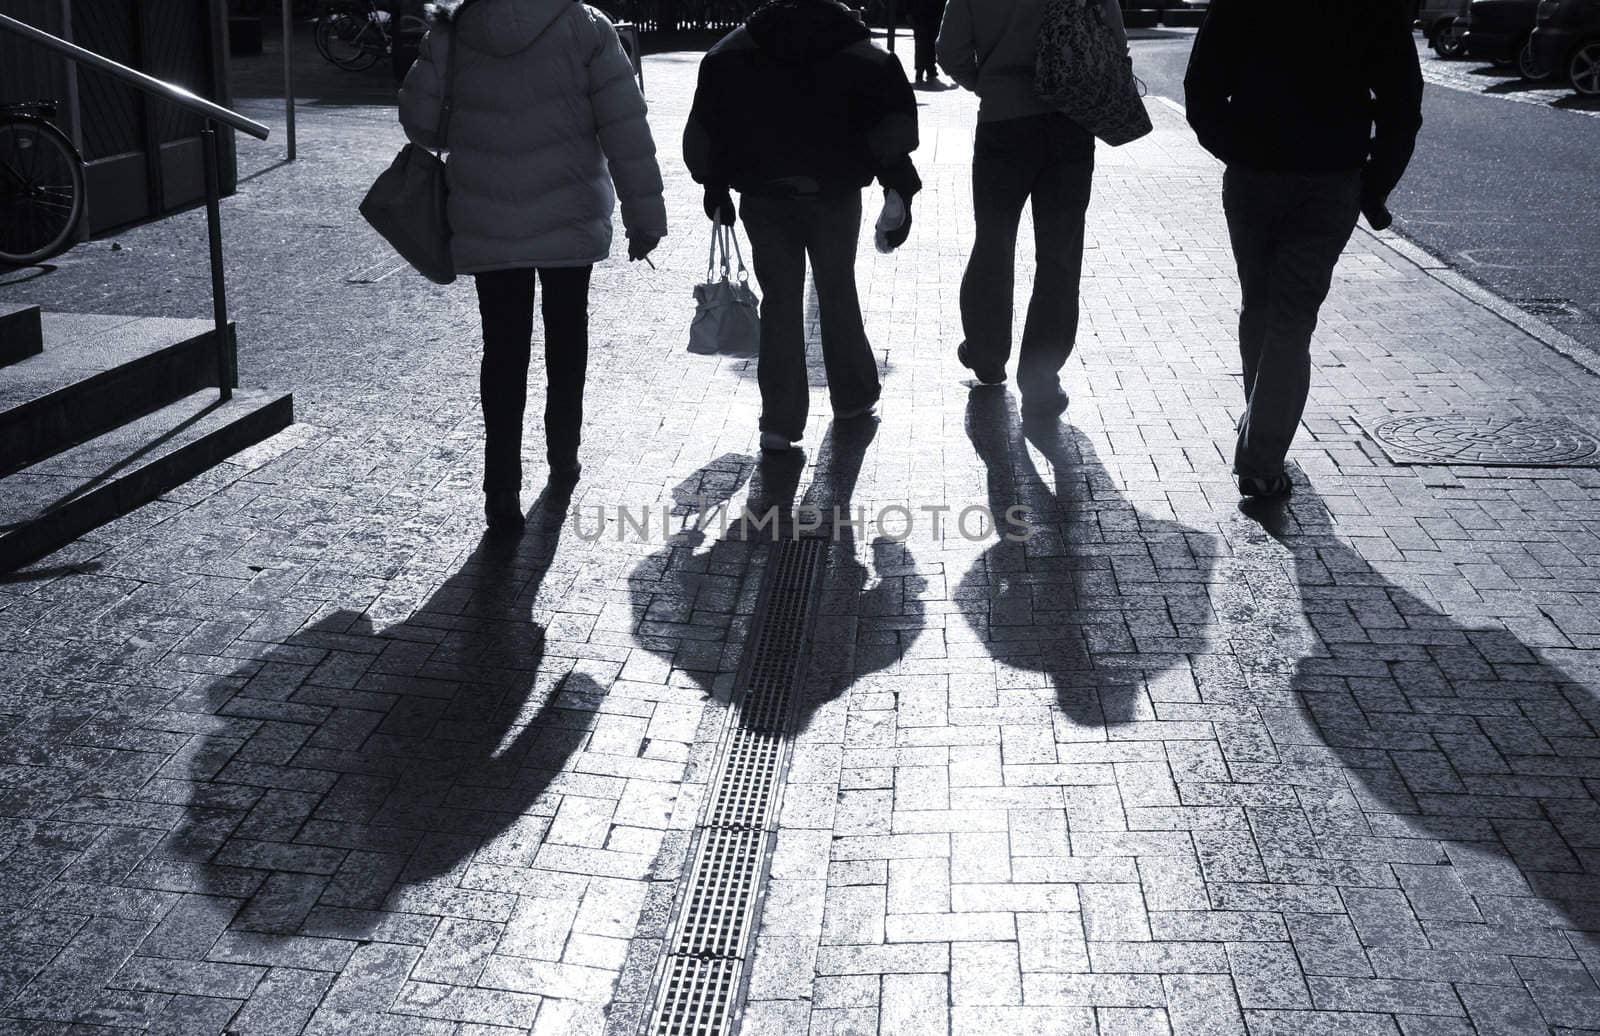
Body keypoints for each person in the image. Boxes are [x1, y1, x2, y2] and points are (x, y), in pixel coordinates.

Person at [399, 0, 666, 532]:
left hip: (487, 213)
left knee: (502, 351)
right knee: (567, 338)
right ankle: (562, 456)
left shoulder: (456, 28)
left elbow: (422, 123)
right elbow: (624, 126)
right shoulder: (586, 24)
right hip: (568, 212)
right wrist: (644, 216)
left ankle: (501, 489)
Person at [1185, 0, 1422, 499]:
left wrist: (1237, 148)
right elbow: (1403, 97)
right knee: (1291, 316)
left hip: (1255, 177)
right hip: (1330, 176)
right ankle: (1262, 454)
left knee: (1261, 305)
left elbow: (1202, 86)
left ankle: (1261, 438)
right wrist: (1375, 183)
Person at [684, 0, 921, 453]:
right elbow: (890, 127)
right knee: (837, 287)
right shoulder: (857, 49)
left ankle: (780, 419)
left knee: (781, 299)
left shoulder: (735, 51)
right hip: (833, 189)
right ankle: (852, 395)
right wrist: (897, 184)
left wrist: (715, 185)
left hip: (764, 191)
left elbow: (708, 126)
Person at [937, 0, 1125, 423]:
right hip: (1070, 122)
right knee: (1059, 255)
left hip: (1003, 122)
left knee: (993, 241)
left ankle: (986, 354)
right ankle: (1040, 380)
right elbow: (1115, 43)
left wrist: (990, 84)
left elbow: (949, 52)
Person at [909, 0, 947, 86]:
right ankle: (929, 68)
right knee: (930, 43)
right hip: (932, 16)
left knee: (921, 44)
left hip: (921, 16)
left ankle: (922, 69)